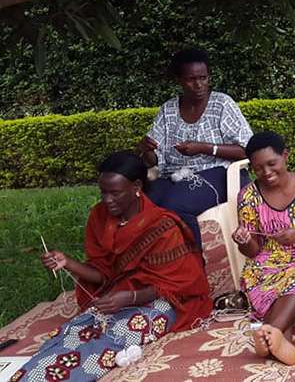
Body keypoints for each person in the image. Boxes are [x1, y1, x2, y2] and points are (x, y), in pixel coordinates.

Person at [15, 152, 212, 382]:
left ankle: (52, 378)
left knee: (114, 338)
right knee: (77, 330)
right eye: (103, 192)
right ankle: (27, 375)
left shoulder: (163, 225)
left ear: (136, 187)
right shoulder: (100, 216)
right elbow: (103, 274)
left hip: (164, 300)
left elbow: (180, 285)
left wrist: (129, 297)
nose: (107, 199)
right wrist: (68, 263)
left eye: (115, 192)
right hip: (119, 293)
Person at [137, 48, 253, 255]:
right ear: (178, 80)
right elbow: (155, 159)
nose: (199, 85)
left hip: (220, 173)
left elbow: (247, 149)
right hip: (173, 174)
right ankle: (154, 265)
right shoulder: (168, 109)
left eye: (203, 78)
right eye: (191, 79)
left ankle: (193, 265)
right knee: (143, 204)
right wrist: (146, 150)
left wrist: (204, 148)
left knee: (175, 206)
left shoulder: (221, 104)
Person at [230, 131, 295, 365]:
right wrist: (244, 241)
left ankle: (269, 331)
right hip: (266, 261)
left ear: (285, 156)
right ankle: (281, 339)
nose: (266, 173)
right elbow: (252, 251)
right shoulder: (248, 196)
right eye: (258, 168)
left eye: (272, 164)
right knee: (269, 288)